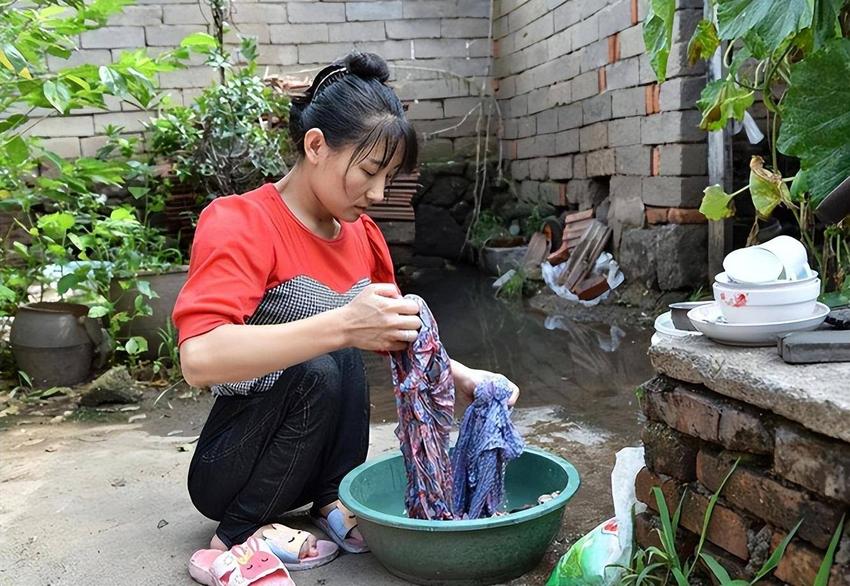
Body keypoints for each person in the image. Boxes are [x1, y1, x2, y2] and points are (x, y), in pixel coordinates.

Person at [173, 51, 519, 568]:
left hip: (308, 465)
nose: (378, 193)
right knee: (323, 361)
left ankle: (331, 498)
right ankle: (240, 532)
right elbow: (198, 359)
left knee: (348, 352)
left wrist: (462, 378)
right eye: (369, 171)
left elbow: (396, 334)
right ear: (316, 146)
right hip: (232, 468)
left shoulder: (362, 234)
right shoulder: (241, 222)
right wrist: (341, 325)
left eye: (391, 177)